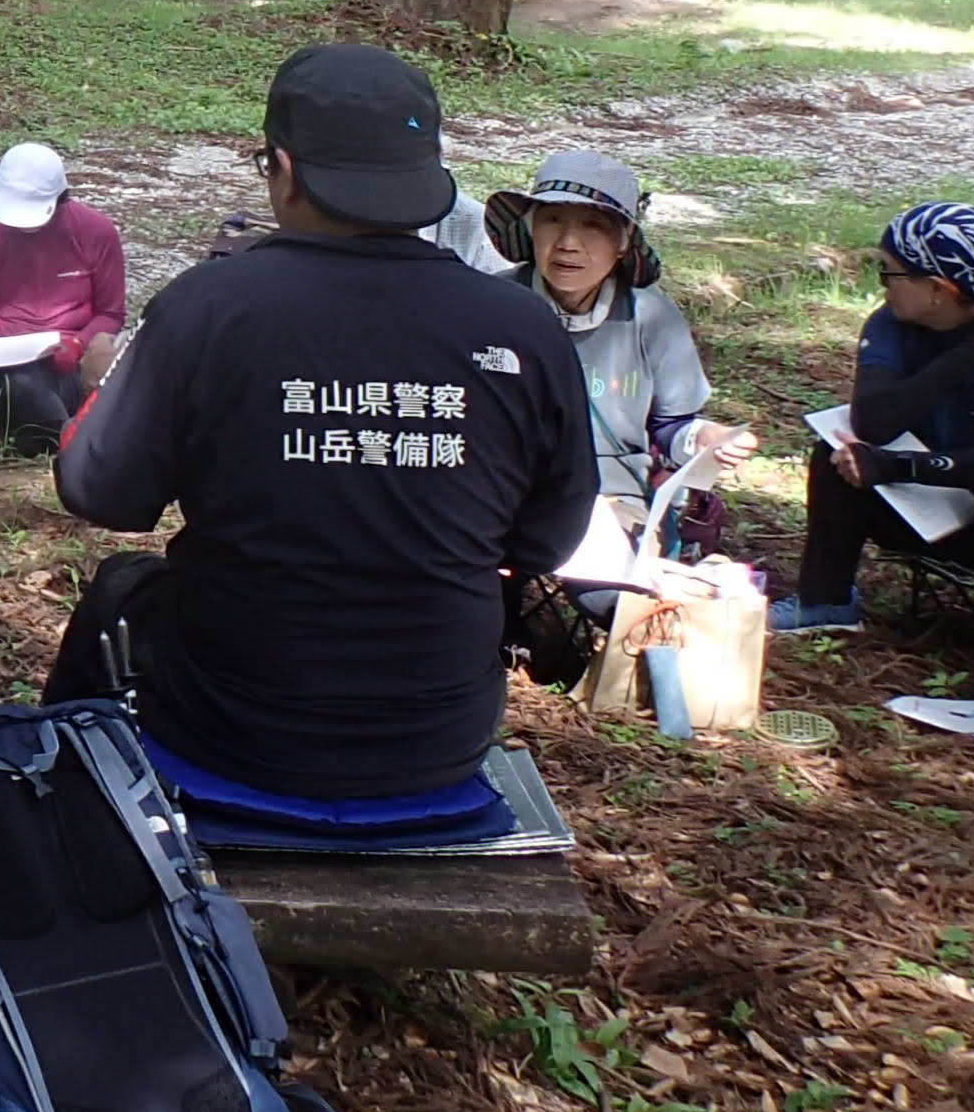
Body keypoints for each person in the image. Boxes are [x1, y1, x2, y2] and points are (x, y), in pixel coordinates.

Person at [47, 43, 594, 801]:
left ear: (284, 168)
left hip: (228, 730)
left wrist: (105, 386)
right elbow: (547, 540)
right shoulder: (525, 329)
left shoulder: (207, 307)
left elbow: (99, 491)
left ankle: (65, 810)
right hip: (438, 737)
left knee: (125, 588)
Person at [777, 201, 974, 649]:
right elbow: (873, 421)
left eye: (890, 273)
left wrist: (898, 466)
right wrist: (971, 349)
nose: (883, 285)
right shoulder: (891, 325)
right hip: (935, 513)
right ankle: (827, 600)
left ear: (938, 289)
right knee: (836, 453)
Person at [480, 150, 744, 523]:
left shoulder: (651, 318)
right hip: (497, 487)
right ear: (530, 228)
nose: (568, 242)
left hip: (610, 496)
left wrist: (704, 438)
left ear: (623, 244)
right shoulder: (488, 306)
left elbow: (671, 426)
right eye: (552, 219)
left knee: (599, 560)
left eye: (593, 225)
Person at [0, 144, 125, 461]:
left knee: (25, 384)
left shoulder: (96, 232)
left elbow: (110, 314)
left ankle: (63, 445)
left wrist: (77, 344)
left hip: (61, 359)